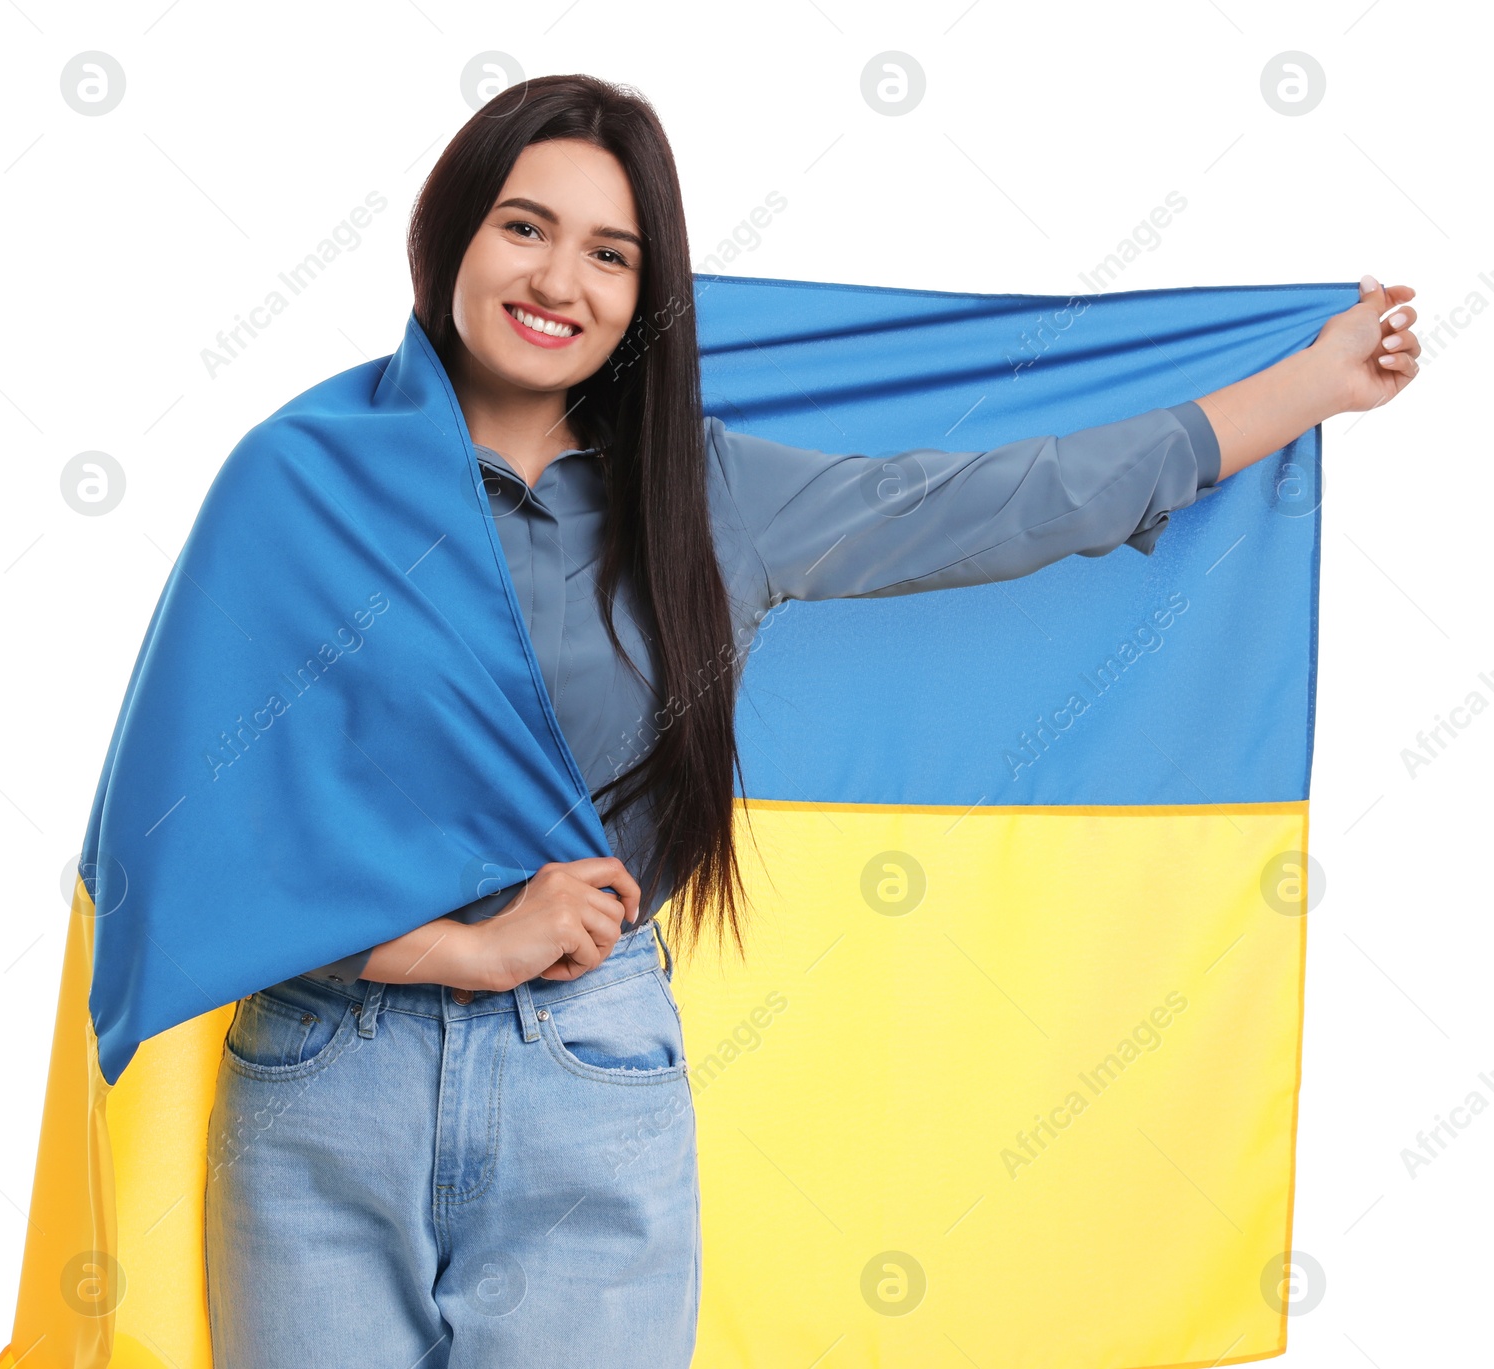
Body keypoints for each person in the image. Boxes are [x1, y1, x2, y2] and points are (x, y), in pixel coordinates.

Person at [203, 73, 1420, 1367]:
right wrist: (471, 949)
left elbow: (1012, 496)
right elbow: (207, 819)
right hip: (326, 1072)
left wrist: (1308, 386)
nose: (560, 278)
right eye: (525, 227)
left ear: (646, 292)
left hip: (584, 1082)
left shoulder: (707, 494)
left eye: (610, 253)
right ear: (448, 234)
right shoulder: (302, 477)